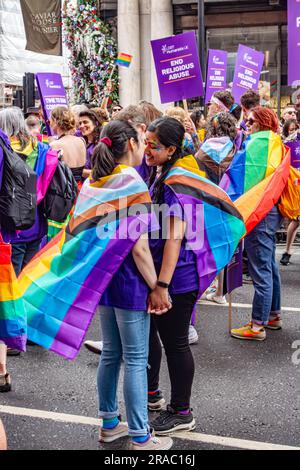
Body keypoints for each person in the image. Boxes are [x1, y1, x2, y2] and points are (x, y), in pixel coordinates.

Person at [95, 120, 172, 451]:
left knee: (111, 353)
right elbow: (139, 247)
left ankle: (110, 423)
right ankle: (142, 435)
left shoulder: (98, 180)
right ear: (130, 146)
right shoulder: (132, 182)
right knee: (137, 359)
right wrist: (158, 286)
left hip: (104, 280)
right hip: (129, 281)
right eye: (143, 141)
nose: (146, 146)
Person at [145, 117, 199, 434]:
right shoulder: (163, 173)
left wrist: (162, 285)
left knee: (176, 343)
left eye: (154, 145)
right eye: (147, 142)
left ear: (171, 149)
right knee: (163, 338)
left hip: (177, 277)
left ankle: (181, 411)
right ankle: (157, 396)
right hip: (170, 274)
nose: (148, 149)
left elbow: (174, 238)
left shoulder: (173, 182)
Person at [231, 106, 283, 341]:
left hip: (258, 209)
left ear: (261, 122)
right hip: (271, 209)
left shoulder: (256, 144)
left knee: (260, 269)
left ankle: (257, 326)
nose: (247, 124)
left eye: (251, 121)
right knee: (269, 265)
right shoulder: (276, 143)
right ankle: (273, 315)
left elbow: (242, 180)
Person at [196, 112, 238, 304]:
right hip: (228, 198)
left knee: (205, 247)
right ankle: (220, 292)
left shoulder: (208, 146)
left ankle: (203, 288)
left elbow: (197, 165)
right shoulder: (236, 148)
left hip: (207, 197)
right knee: (223, 246)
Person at [280, 119, 300, 266]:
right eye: (290, 129)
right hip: (293, 183)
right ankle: (287, 251)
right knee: (296, 219)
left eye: (295, 129)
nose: (293, 131)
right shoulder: (283, 143)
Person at [49, 106, 86, 186]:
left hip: (65, 191)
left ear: (56, 121)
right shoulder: (81, 141)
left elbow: (49, 173)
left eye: (50, 120)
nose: (49, 123)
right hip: (80, 187)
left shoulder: (54, 145)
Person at [78, 109, 103, 176]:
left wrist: (77, 171)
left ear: (95, 123)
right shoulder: (81, 141)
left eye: (85, 122)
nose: (81, 126)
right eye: (80, 123)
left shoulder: (102, 144)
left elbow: (102, 173)